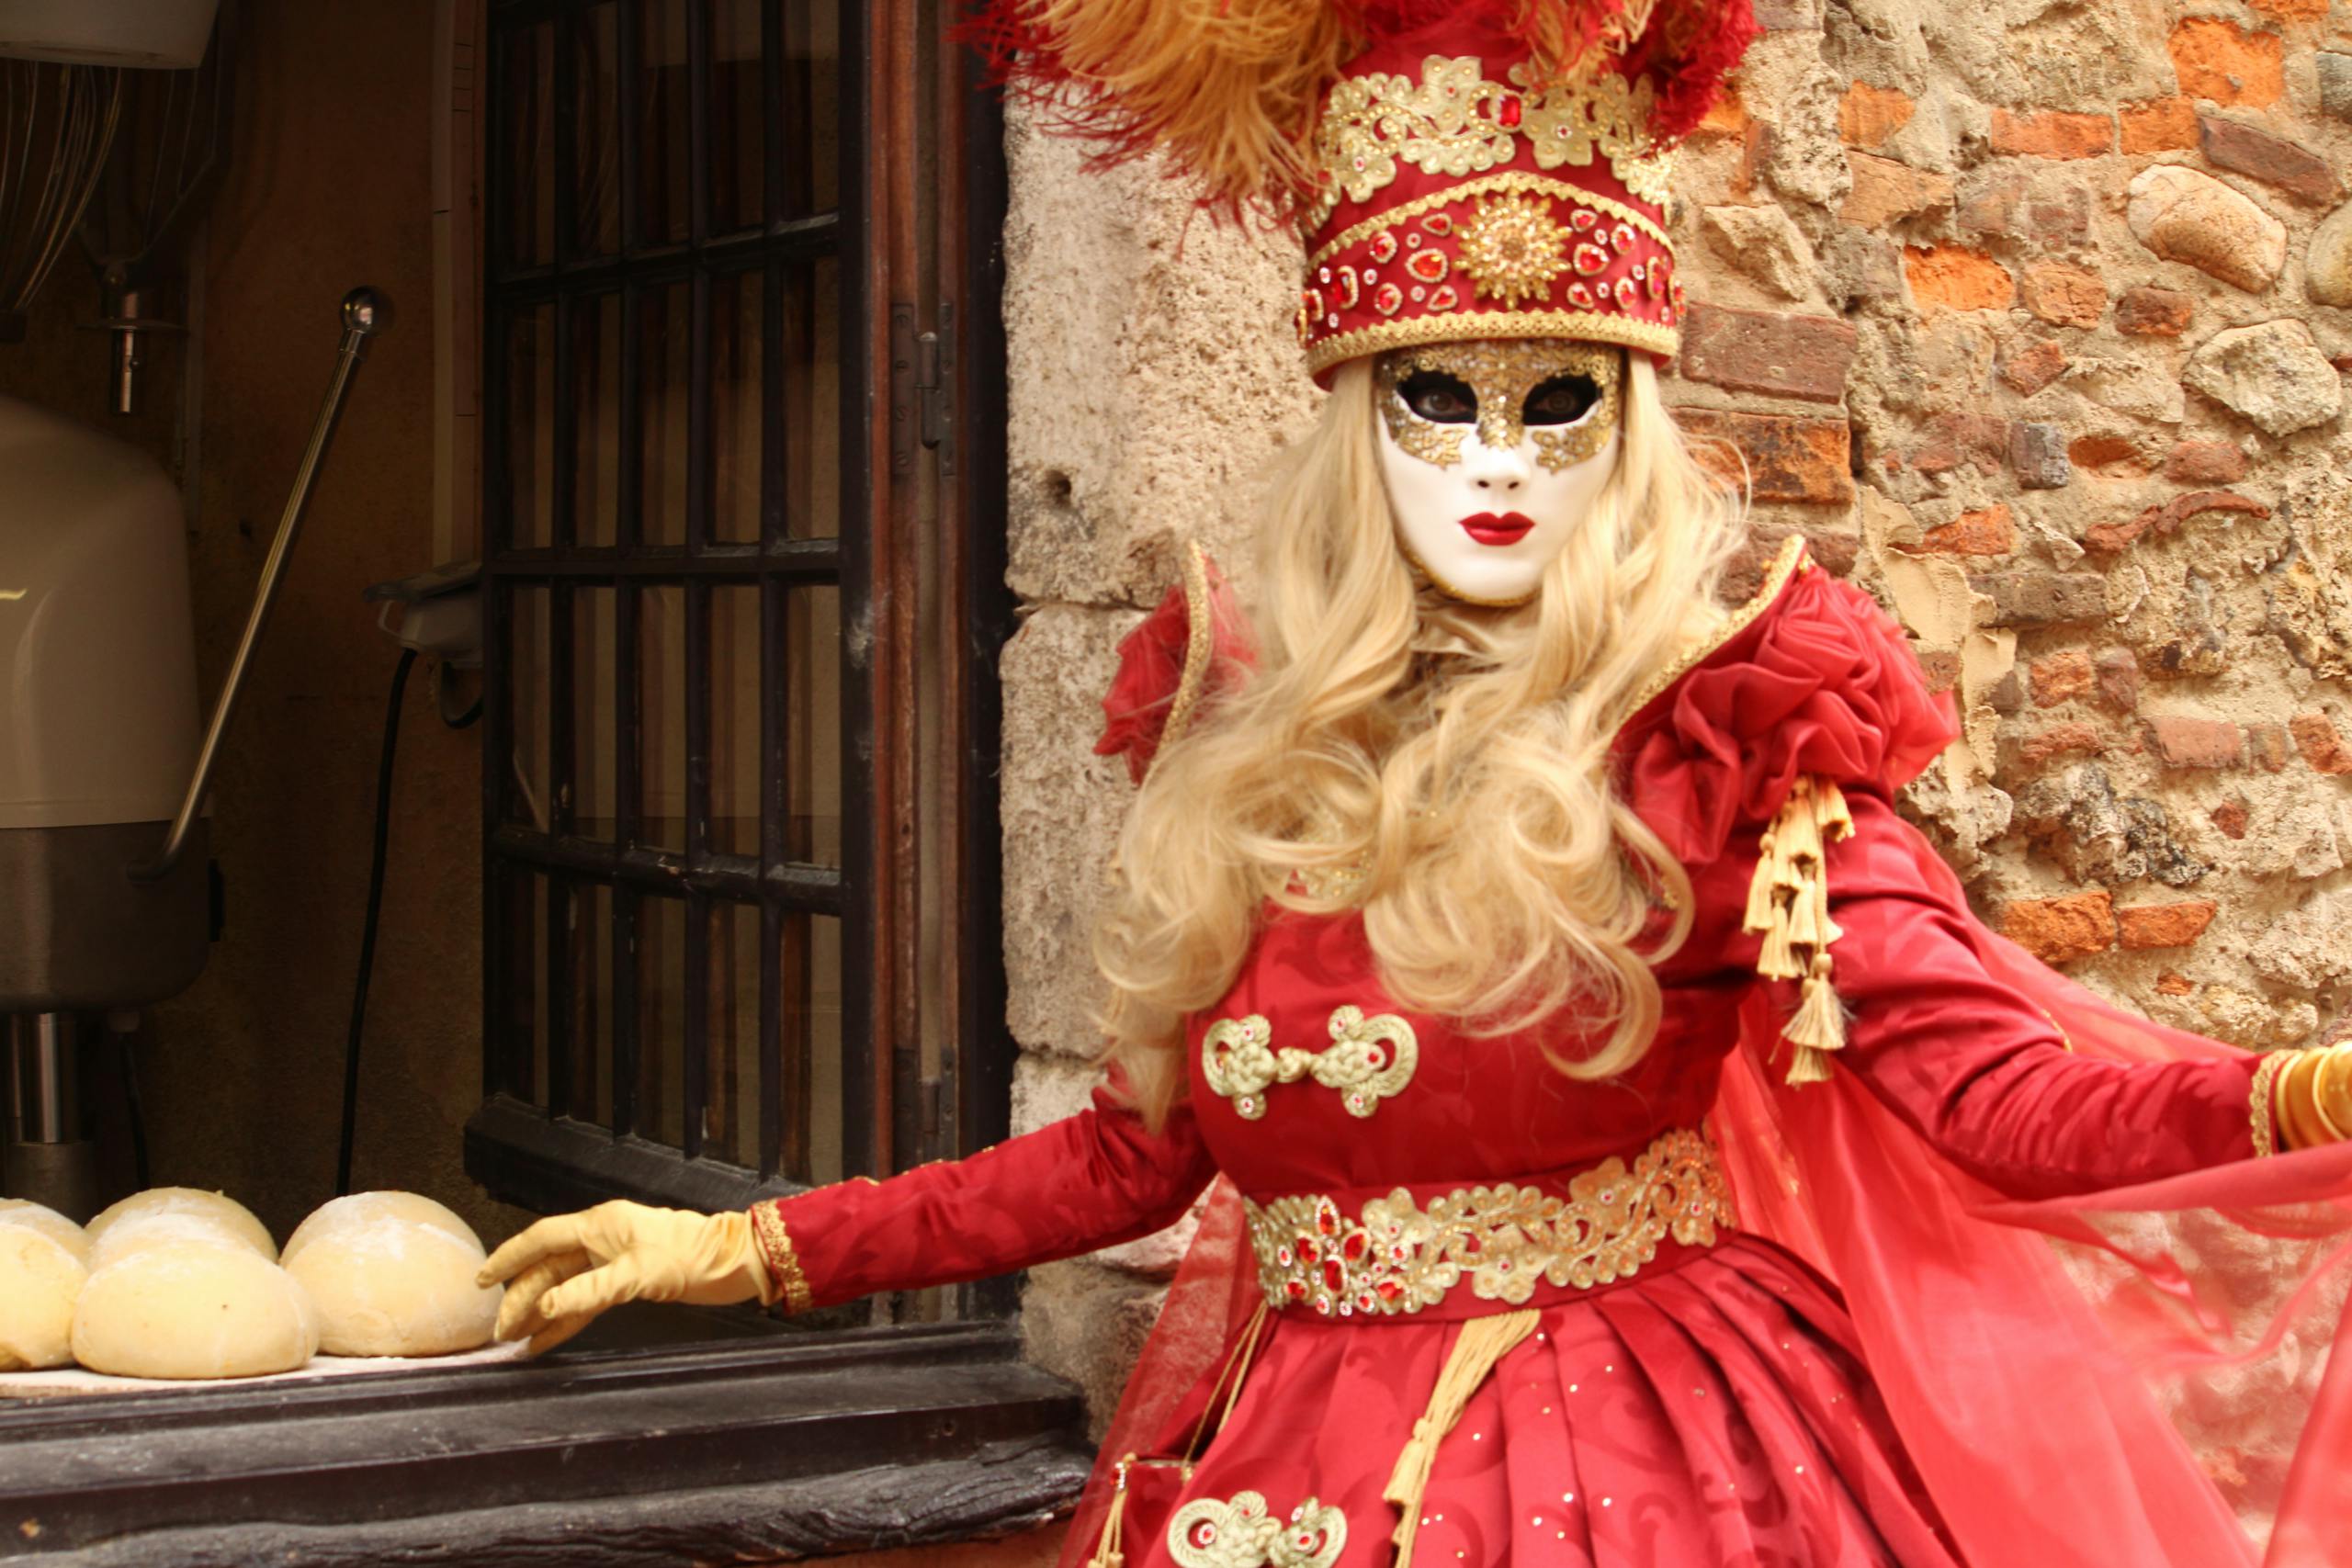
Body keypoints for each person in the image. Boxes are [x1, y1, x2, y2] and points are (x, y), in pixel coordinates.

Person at [480, 6, 2352, 1564]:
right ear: (1347, 419)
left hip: (1644, 1473)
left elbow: (1998, 1097)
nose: (1493, 461)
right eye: (1429, 398)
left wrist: (2300, 1084)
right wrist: (738, 1245)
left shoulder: (1721, 739)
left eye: (1557, 404)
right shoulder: (1247, 743)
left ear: (1626, 427)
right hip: (1282, 1445)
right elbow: (1134, 1158)